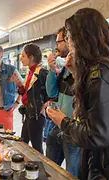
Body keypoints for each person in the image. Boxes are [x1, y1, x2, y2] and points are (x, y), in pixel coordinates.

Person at [47, 8, 109, 180]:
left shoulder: (100, 74)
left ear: (81, 38)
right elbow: (99, 110)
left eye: (69, 38)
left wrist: (62, 121)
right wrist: (76, 72)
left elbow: (97, 135)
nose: (68, 44)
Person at [45, 27, 80, 177]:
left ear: (69, 41)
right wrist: (52, 70)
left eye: (59, 42)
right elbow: (52, 92)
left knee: (72, 173)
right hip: (57, 126)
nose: (56, 46)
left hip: (73, 129)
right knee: (48, 168)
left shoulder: (83, 67)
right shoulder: (65, 67)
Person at [15, 43, 49, 154]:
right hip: (29, 112)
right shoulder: (30, 71)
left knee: (36, 146)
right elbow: (25, 93)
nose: (21, 59)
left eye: (23, 56)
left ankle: (39, 168)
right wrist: (19, 85)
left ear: (31, 57)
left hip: (36, 114)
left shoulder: (42, 73)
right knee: (23, 142)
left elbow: (51, 94)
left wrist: (45, 106)